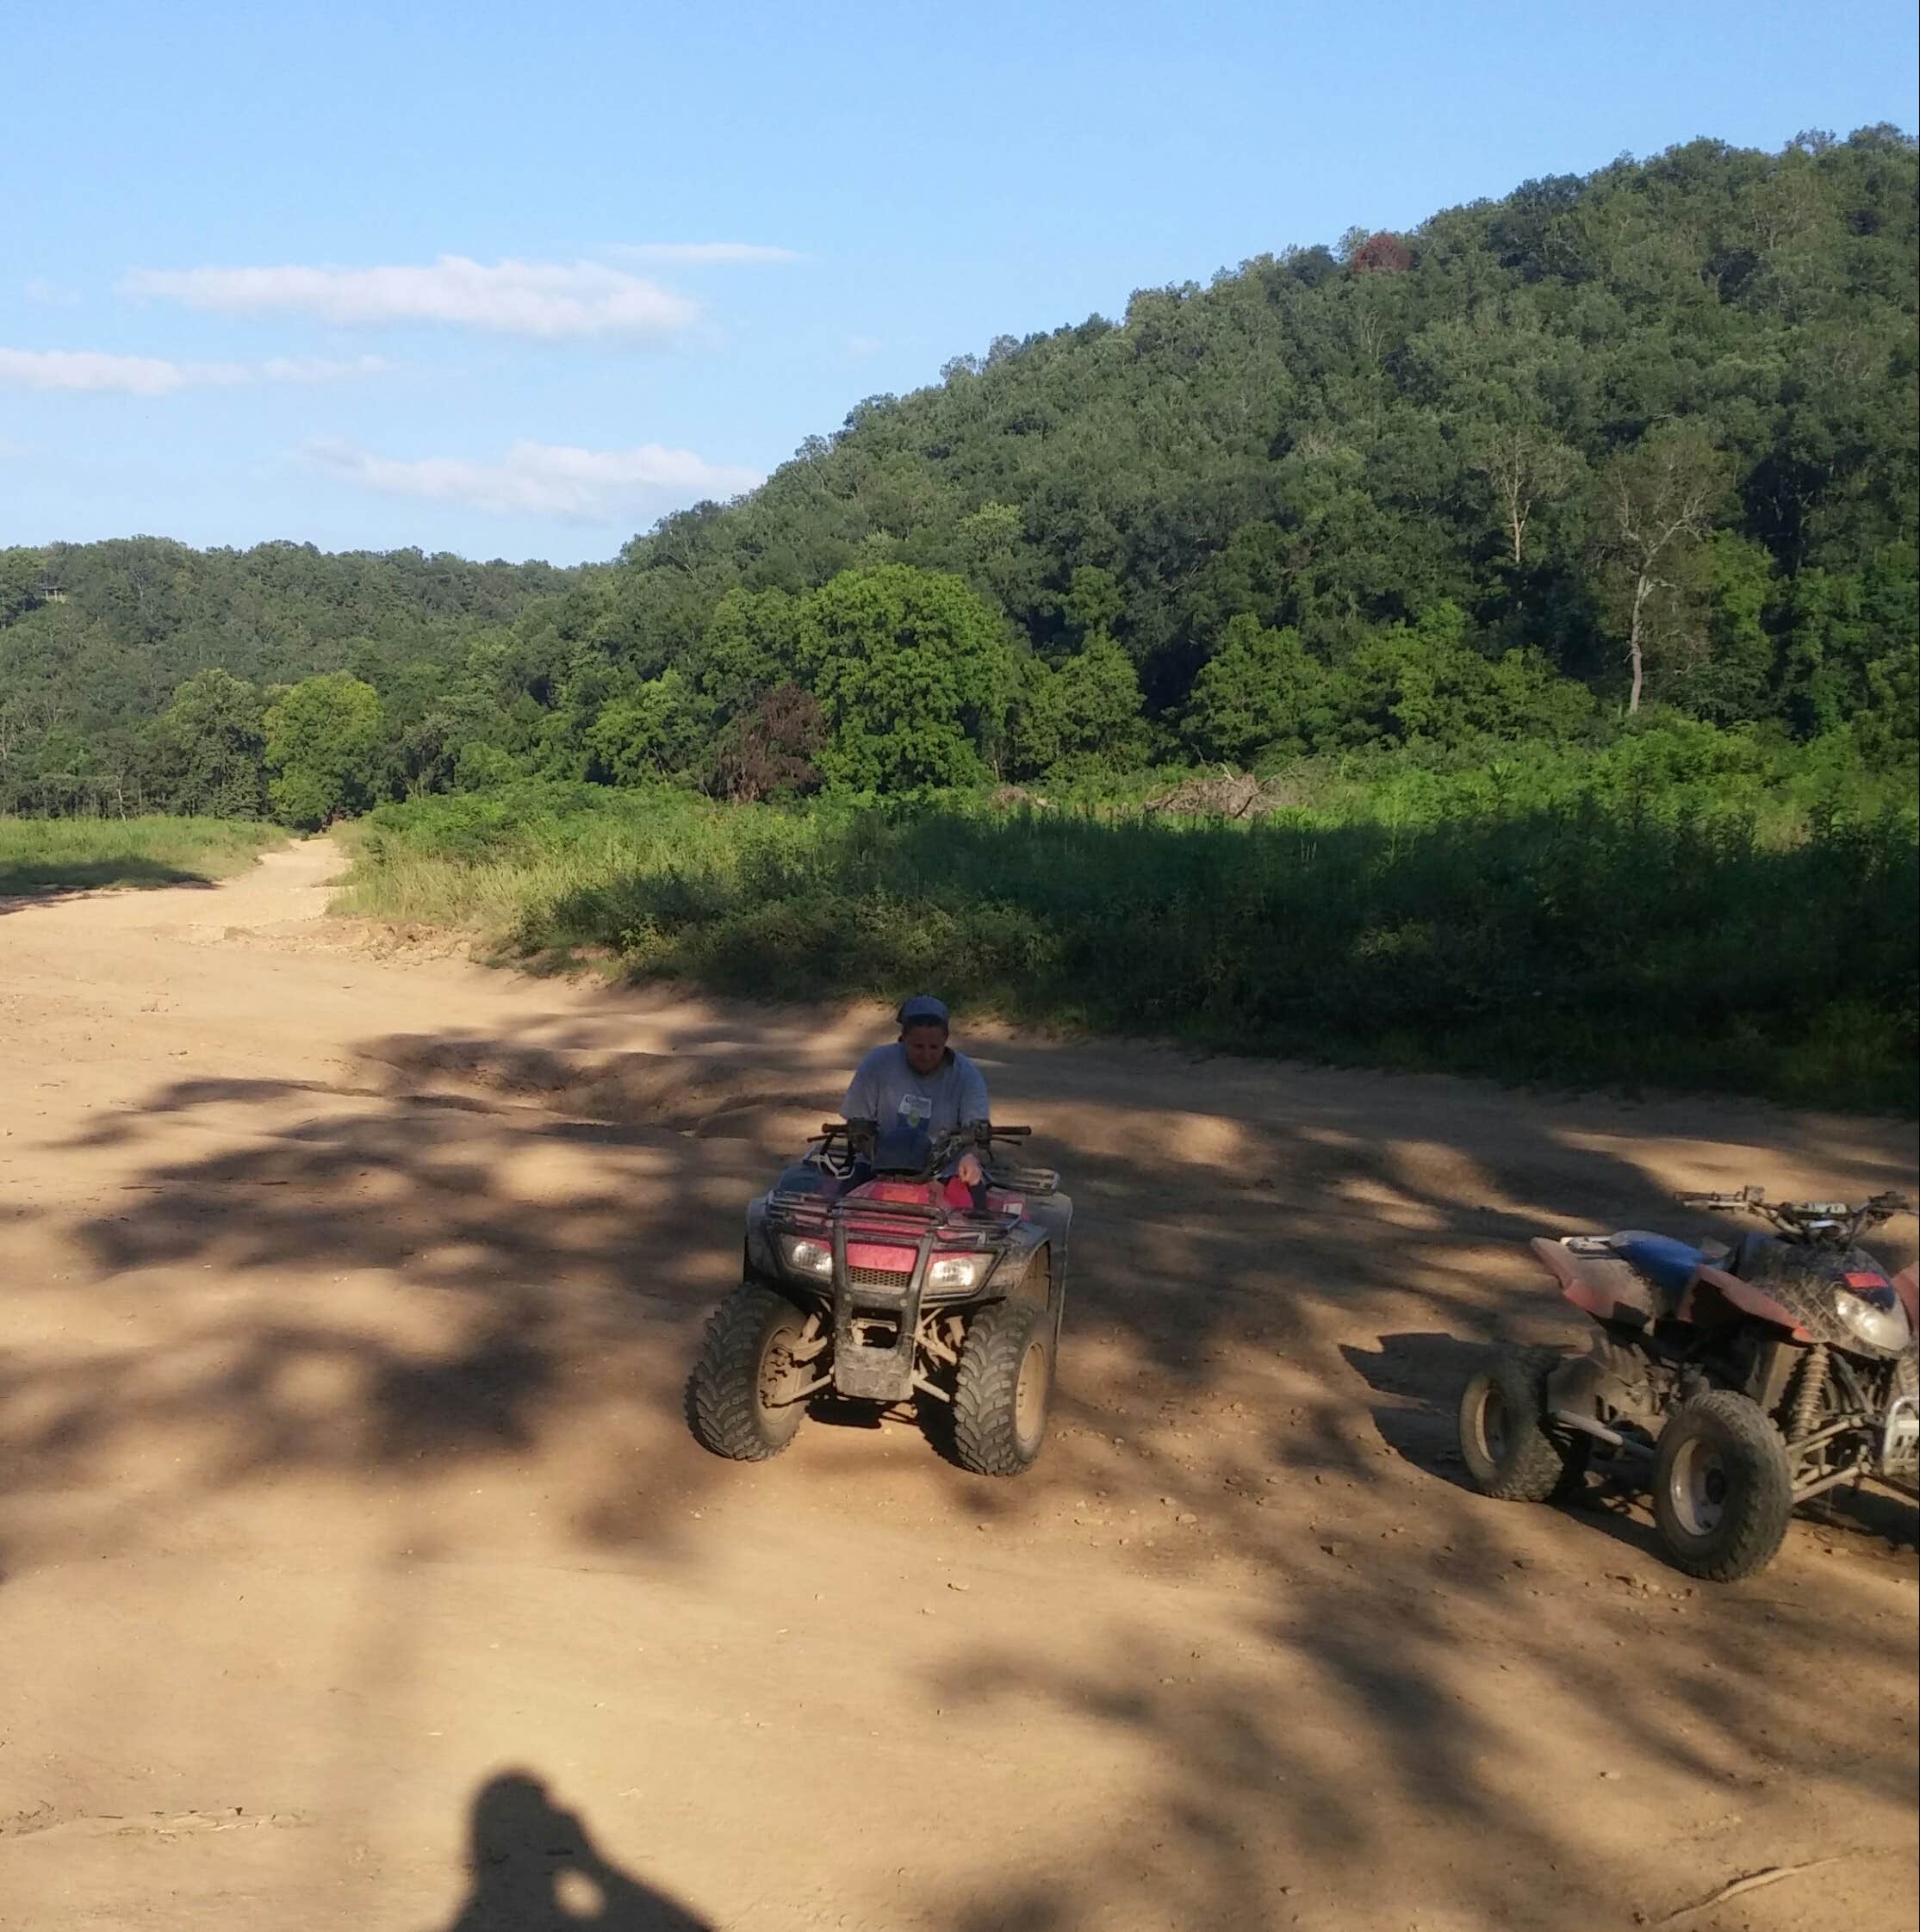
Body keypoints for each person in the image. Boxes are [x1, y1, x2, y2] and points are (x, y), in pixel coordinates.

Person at [841, 994, 991, 1186]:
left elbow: (977, 1133)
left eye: (935, 1047)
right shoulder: (877, 1063)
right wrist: (882, 1159)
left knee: (977, 1212)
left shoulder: (966, 1075)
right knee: (839, 1206)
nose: (927, 1055)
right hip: (878, 1169)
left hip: (945, 1172)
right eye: (918, 1046)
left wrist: (970, 1157)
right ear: (903, 1039)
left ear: (946, 1039)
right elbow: (858, 1124)